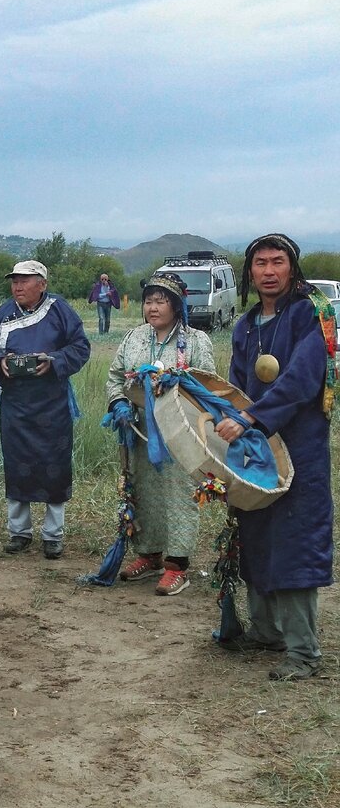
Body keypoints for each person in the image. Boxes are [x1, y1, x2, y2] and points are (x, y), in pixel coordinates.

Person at [215, 233, 334, 681]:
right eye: (260, 263)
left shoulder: (311, 314)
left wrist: (252, 419)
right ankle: (266, 632)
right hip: (255, 446)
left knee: (296, 538)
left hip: (299, 442)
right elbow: (236, 388)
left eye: (277, 261)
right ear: (250, 272)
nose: (268, 271)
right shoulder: (246, 324)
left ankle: (303, 652)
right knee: (257, 529)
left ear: (292, 267)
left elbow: (303, 379)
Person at [106, 273, 216, 596]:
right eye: (149, 301)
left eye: (161, 301)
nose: (153, 308)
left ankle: (177, 564)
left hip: (180, 432)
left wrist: (176, 383)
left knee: (179, 493)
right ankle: (149, 554)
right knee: (144, 491)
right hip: (139, 430)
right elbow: (115, 376)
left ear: (177, 305)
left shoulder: (195, 341)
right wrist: (119, 404)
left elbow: (207, 385)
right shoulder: (134, 338)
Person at [0, 260, 91, 560]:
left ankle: (53, 535)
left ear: (41, 283)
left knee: (54, 466)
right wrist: (0, 362)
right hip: (15, 403)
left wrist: (53, 360)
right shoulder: (5, 311)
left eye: (24, 281)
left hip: (52, 405)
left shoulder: (60, 310)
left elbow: (80, 347)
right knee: (17, 465)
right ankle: (19, 532)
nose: (17, 286)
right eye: (14, 281)